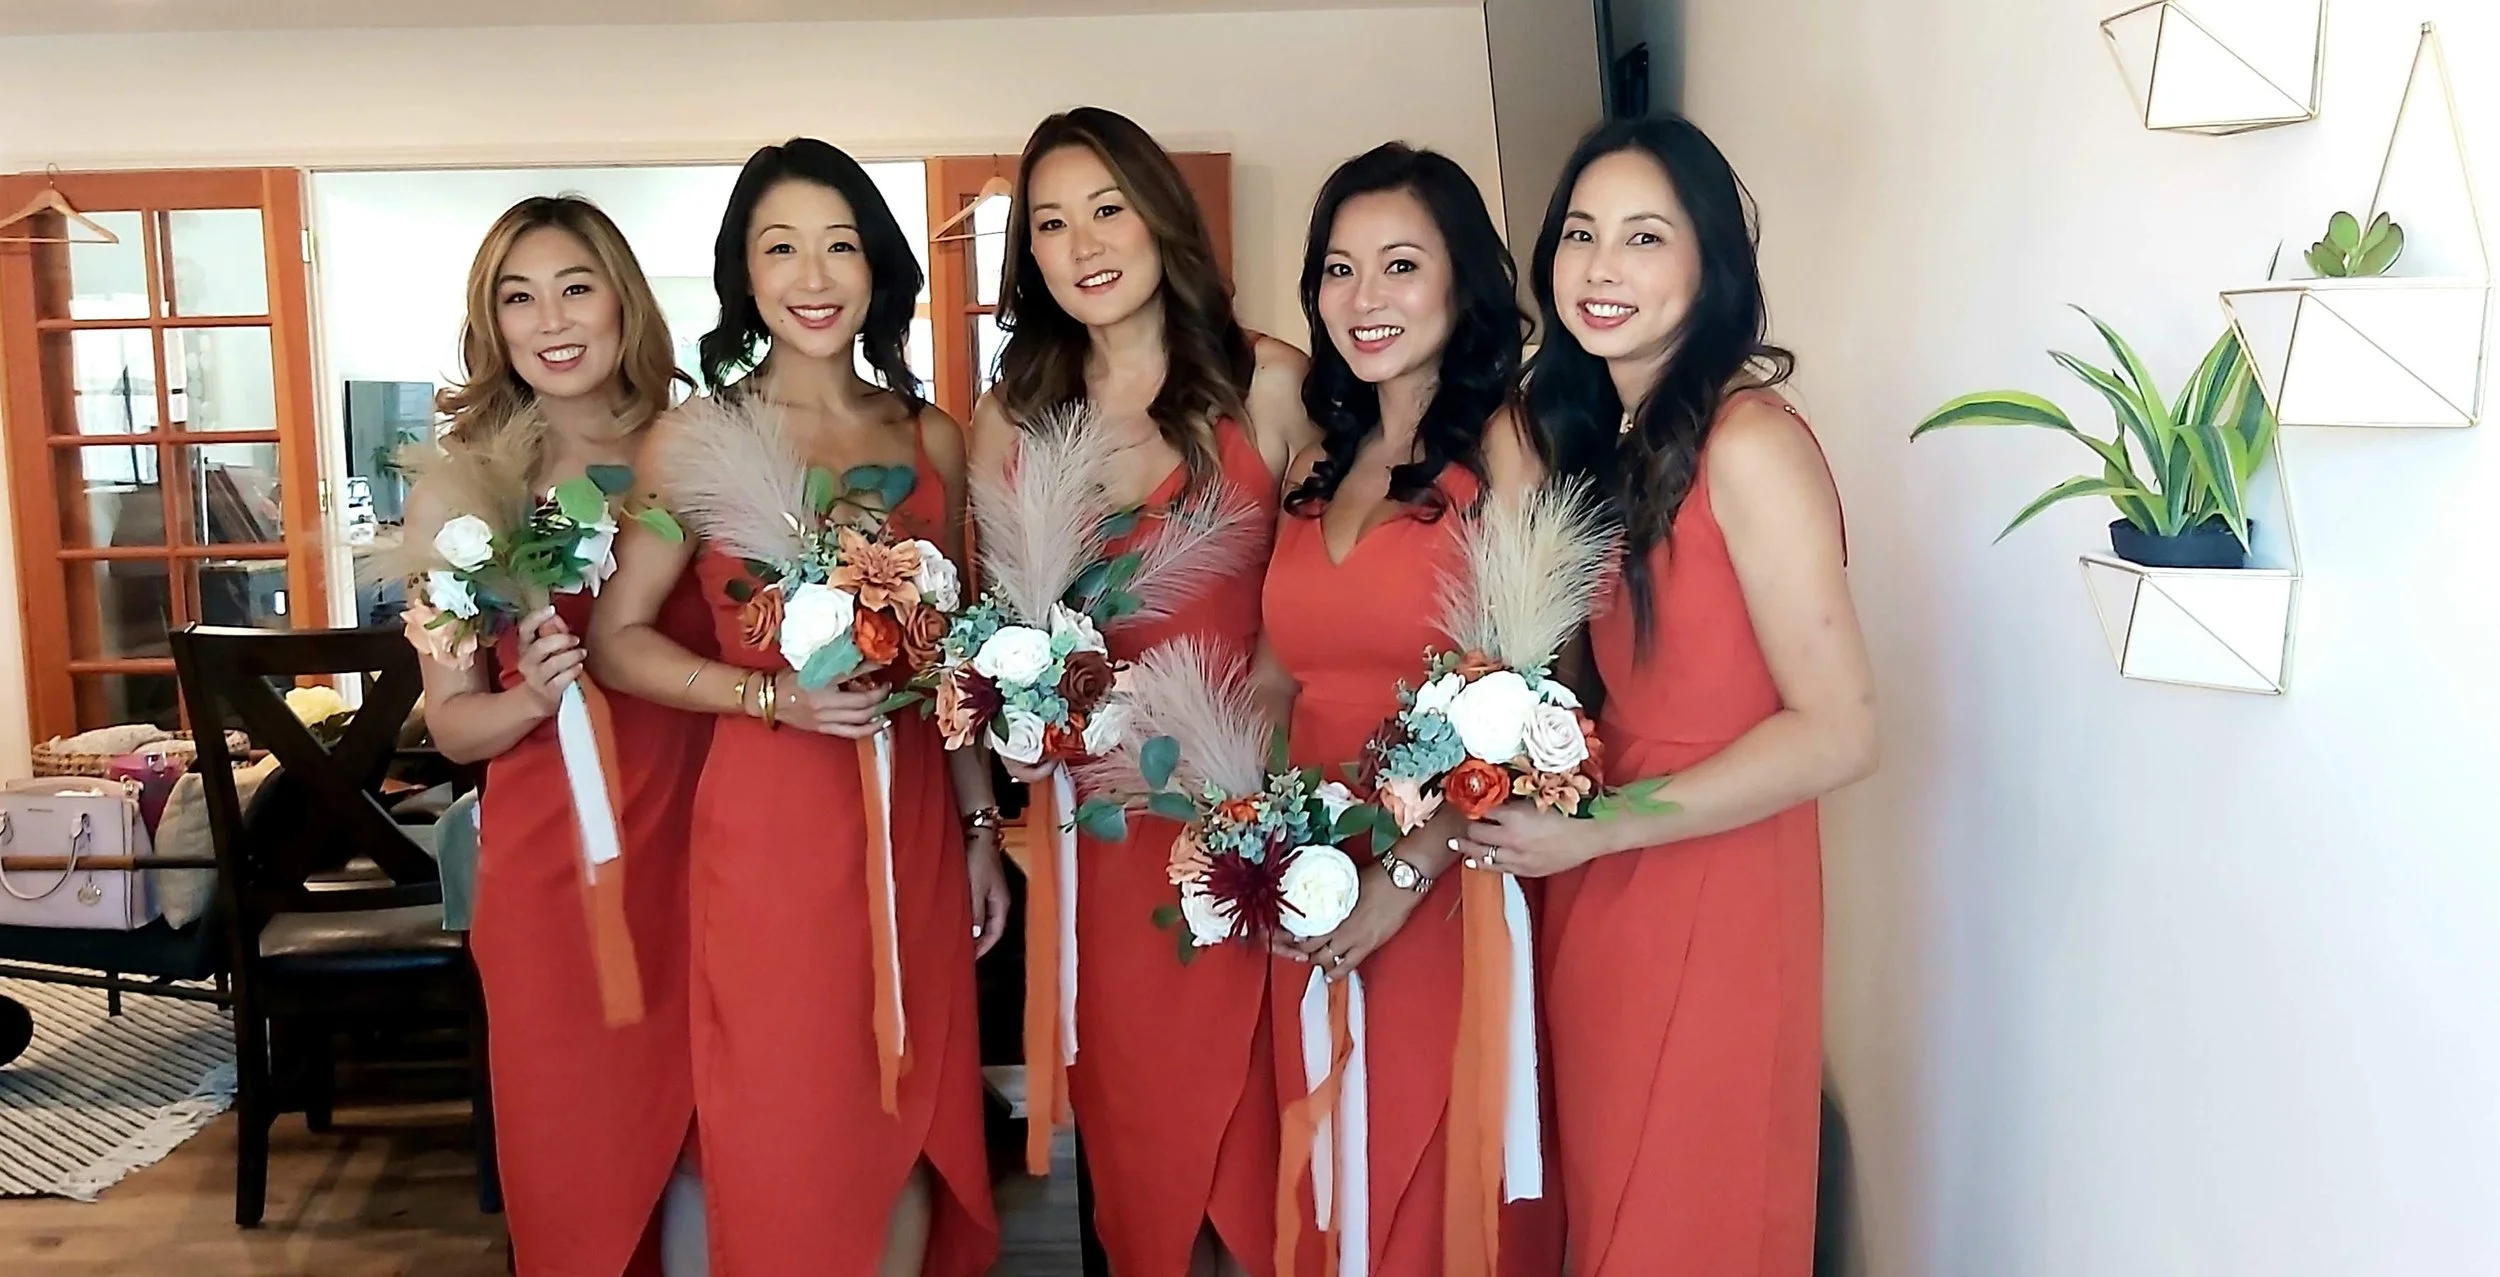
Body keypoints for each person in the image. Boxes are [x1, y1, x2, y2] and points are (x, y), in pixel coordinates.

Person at [1455, 114, 1879, 1276]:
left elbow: (1841, 730)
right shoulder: (1612, 436)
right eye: (1580, 234)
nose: (1601, 267)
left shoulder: (1749, 442)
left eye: (1644, 237)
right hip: (1601, 869)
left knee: (1688, 1217)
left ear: (1710, 265)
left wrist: (1604, 826)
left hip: (1713, 873)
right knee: (1612, 1211)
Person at [586, 138, 1005, 1277]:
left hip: (914, 816)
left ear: (876, 266)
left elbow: (953, 660)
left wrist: (979, 826)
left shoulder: (929, 437)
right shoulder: (693, 439)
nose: (813, 276)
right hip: (771, 822)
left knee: (907, 1108)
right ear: (746, 272)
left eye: (839, 245)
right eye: (781, 248)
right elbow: (617, 639)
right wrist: (768, 694)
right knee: (786, 1106)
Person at [971, 104, 1312, 1277]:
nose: (1082, 244)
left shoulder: (1271, 380)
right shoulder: (1015, 413)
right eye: (1050, 223)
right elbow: (994, 641)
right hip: (1105, 835)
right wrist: (1011, 736)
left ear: (1162, 214)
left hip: (1252, 810)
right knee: (1143, 1140)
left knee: (1263, 1141)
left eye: (1106, 208)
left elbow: (1324, 596)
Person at [1256, 142, 1560, 1277]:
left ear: (1462, 283)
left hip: (1445, 877)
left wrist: (1402, 871)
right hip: (1309, 869)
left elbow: (1535, 698)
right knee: (1328, 1169)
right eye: (1340, 269)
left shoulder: (1508, 447)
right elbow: (1273, 675)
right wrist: (1248, 837)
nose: (1363, 297)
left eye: (1399, 264)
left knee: (1424, 1182)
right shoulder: (1317, 460)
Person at [402, 195, 708, 1277]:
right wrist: (531, 696)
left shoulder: (700, 446)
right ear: (492, 323)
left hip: (713, 849)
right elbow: (452, 727)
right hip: (553, 872)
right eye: (518, 298)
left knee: (723, 1152)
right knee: (580, 1165)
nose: (552, 320)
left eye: (575, 287)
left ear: (623, 298)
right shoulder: (462, 487)